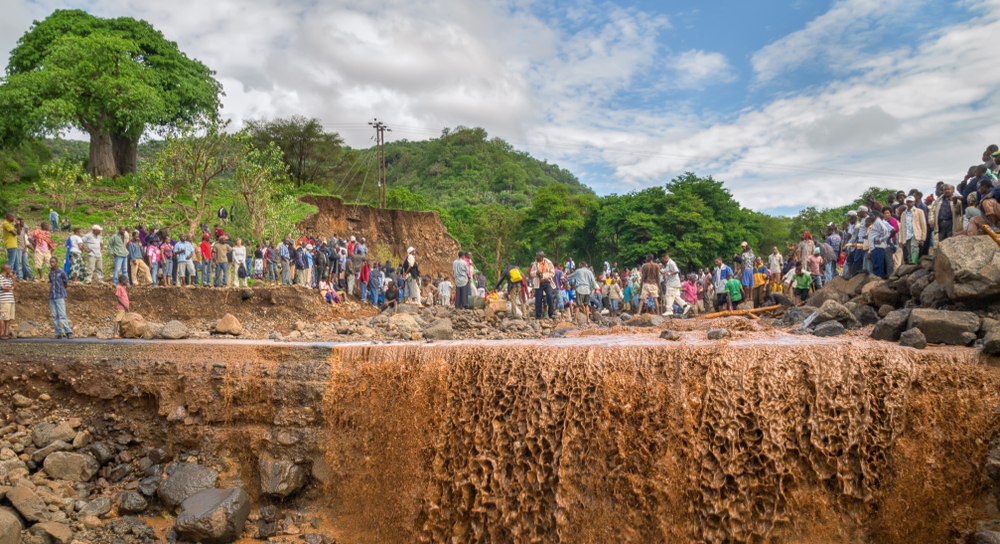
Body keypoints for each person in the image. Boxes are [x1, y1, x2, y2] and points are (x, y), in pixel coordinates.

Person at [48, 257, 73, 339]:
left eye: (53, 262)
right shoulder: (50, 273)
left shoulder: (61, 273)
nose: (52, 263)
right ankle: (58, 332)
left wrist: (63, 294)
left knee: (62, 314)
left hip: (59, 296)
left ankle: (68, 332)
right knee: (55, 315)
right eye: (51, 262)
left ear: (57, 262)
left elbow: (65, 283)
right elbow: (51, 282)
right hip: (52, 296)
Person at [899, 196, 927, 263]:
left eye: (911, 202)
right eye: (908, 202)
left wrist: (923, 238)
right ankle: (911, 263)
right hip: (907, 234)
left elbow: (923, 225)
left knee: (914, 246)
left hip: (916, 233)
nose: (909, 203)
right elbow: (901, 227)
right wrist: (900, 240)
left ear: (914, 202)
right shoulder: (903, 214)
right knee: (909, 250)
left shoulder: (919, 212)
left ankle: (914, 262)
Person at [529, 251, 556, 320]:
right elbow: (531, 273)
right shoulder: (535, 263)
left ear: (541, 257)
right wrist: (536, 273)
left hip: (547, 282)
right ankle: (538, 316)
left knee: (550, 297)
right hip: (538, 283)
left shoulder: (548, 262)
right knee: (538, 299)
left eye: (537, 256)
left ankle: (551, 314)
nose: (536, 257)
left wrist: (543, 275)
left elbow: (552, 273)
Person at [3, 213, 19, 281]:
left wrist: (18, 224)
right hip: (10, 244)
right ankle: (8, 276)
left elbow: (18, 232)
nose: (14, 218)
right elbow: (14, 233)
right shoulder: (6, 224)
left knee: (16, 262)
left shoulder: (10, 225)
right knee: (11, 261)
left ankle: (12, 276)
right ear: (9, 217)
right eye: (13, 217)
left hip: (14, 245)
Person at [0, 264, 14, 339]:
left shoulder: (9, 278)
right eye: (10, 269)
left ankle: (6, 333)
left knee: (8, 317)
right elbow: (3, 287)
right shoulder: (0, 277)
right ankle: (1, 333)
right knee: (3, 316)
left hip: (10, 299)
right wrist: (10, 288)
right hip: (4, 299)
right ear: (6, 270)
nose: (11, 271)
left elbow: (15, 287)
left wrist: (12, 277)